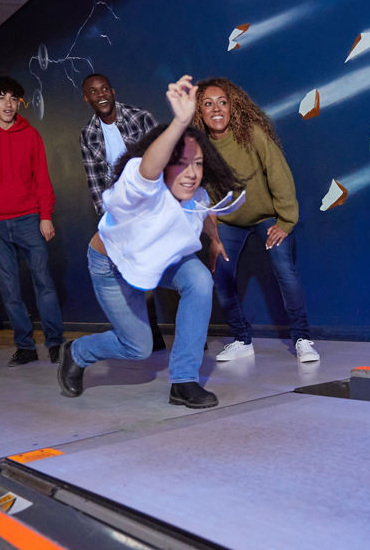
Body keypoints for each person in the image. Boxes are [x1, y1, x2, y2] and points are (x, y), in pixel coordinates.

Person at [58, 75, 243, 408]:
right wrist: (180, 122)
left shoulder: (194, 193)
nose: (192, 173)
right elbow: (148, 168)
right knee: (138, 347)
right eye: (181, 163)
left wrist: (215, 240)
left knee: (200, 279)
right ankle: (78, 352)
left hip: (159, 260)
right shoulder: (140, 189)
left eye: (198, 164)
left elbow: (203, 210)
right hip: (113, 265)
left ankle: (184, 381)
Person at [192, 77, 319, 363]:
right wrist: (213, 237)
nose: (216, 109)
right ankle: (241, 340)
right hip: (228, 221)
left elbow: (279, 173)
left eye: (222, 102)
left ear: (233, 106)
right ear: (199, 111)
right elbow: (203, 196)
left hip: (267, 216)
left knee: (285, 272)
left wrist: (285, 222)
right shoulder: (198, 147)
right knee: (220, 276)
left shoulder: (252, 134)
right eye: (208, 104)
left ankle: (302, 338)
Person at [0, 75, 64, 366]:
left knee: (44, 282)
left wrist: (46, 215)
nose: (8, 104)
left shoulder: (31, 135)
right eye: (1, 98)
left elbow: (42, 178)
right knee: (10, 289)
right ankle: (25, 347)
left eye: (12, 99)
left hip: (30, 219)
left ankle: (56, 343)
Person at [79, 72, 169, 351]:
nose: (101, 95)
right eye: (94, 91)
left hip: (152, 203)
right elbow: (95, 182)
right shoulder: (88, 134)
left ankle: (190, 330)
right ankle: (152, 333)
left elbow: (164, 159)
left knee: (172, 264)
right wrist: (108, 222)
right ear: (87, 99)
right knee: (136, 273)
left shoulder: (140, 118)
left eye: (105, 88)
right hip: (122, 213)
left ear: (113, 91)